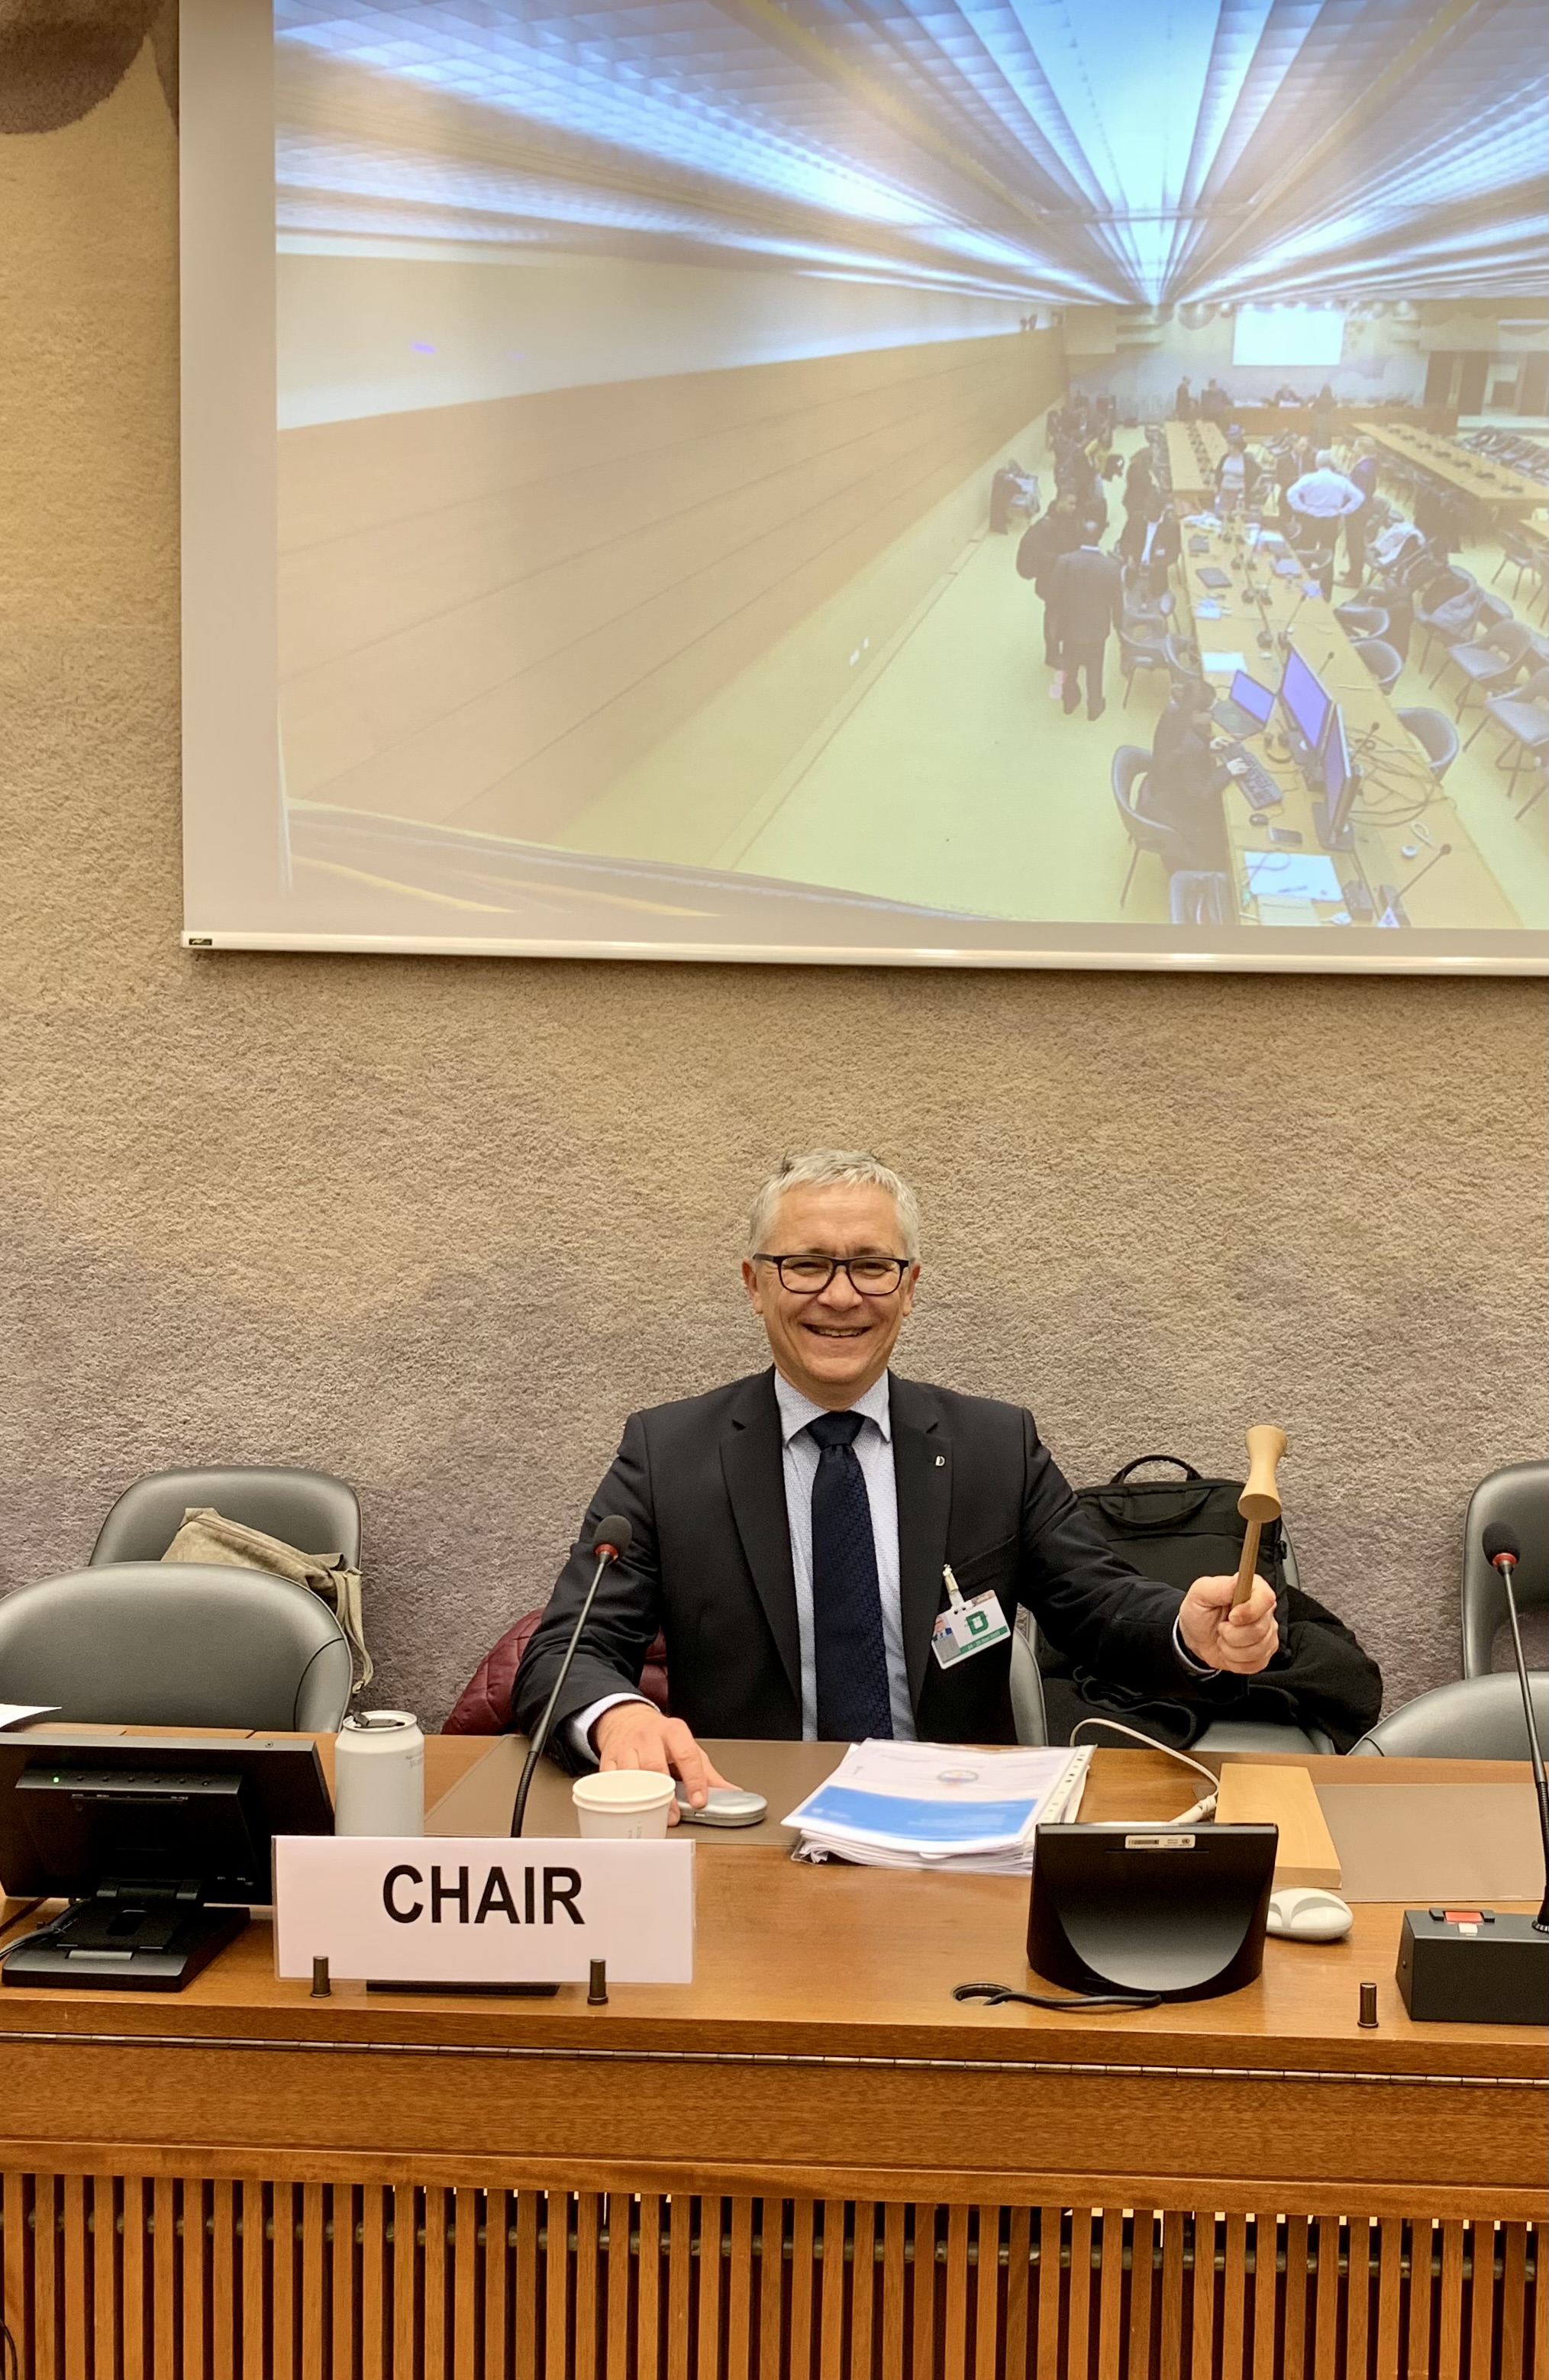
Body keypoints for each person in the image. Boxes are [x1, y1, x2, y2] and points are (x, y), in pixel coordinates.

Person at [511, 1153, 1281, 1805]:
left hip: (956, 1826)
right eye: (805, 1264)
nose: (840, 1295)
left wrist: (1189, 1631)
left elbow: (1098, 1607)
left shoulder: (993, 1446)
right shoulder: (669, 1452)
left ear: (908, 1288)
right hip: (746, 1821)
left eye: (871, 1266)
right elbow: (568, 1650)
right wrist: (617, 1716)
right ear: (754, 1284)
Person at [1141, 679, 1231, 872]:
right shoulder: (1191, 747)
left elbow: (1180, 750)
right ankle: (1210, 867)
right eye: (1211, 712)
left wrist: (1208, 745)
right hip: (1176, 806)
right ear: (1196, 713)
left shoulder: (1173, 713)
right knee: (1226, 827)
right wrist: (1227, 771)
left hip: (1162, 785)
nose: (1213, 717)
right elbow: (1200, 793)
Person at [1046, 527, 1124, 719]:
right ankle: (1095, 706)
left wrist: (1054, 620)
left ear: (1080, 537)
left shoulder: (1065, 561)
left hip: (1070, 627)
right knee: (1095, 669)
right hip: (1097, 629)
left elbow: (1053, 596)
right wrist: (1119, 624)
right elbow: (1117, 601)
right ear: (1100, 538)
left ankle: (1069, 701)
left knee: (1069, 666)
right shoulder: (1111, 566)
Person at [1015, 489, 1083, 688]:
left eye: (1075, 504)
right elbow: (1035, 554)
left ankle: (1066, 648)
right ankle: (1052, 654)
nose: (1074, 507)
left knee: (1067, 615)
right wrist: (1061, 560)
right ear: (1059, 502)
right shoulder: (1045, 526)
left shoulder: (1070, 521)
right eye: (1070, 503)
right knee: (1053, 615)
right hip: (1051, 582)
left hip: (1067, 580)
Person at [1286, 448, 1364, 595]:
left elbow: (1291, 493)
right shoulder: (1341, 480)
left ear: (1317, 463)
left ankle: (1301, 587)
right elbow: (1359, 497)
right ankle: (1326, 592)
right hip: (1331, 520)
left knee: (1306, 551)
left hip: (1310, 518)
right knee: (1328, 555)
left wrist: (1301, 508)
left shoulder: (1309, 478)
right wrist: (1344, 511)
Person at [1341, 440, 1380, 586]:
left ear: (1362, 448)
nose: (1353, 448)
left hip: (1357, 512)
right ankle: (1353, 571)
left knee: (1355, 544)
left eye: (1356, 445)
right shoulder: (1369, 465)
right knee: (1355, 543)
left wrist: (1347, 509)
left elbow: (1358, 495)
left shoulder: (1362, 470)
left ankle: (1355, 578)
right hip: (1363, 510)